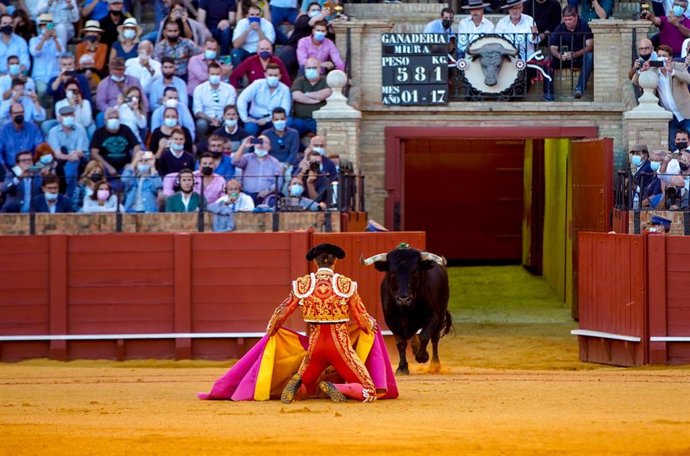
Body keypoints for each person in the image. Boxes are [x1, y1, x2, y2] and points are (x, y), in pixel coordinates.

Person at [266, 243, 377, 403]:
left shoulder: (303, 284)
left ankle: (298, 388)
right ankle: (337, 388)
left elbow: (282, 312)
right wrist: (371, 326)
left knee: (305, 385)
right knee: (369, 391)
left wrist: (271, 330)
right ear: (335, 261)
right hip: (340, 348)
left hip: (315, 349)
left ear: (316, 262)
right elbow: (362, 319)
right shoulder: (345, 284)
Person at [496, 0, 554, 101]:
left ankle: (516, 97)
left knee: (528, 72)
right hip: (507, 59)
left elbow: (535, 41)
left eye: (518, 8)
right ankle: (507, 96)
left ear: (522, 8)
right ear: (508, 10)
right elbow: (497, 42)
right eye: (512, 8)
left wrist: (534, 35)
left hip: (527, 58)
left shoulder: (529, 20)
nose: (515, 11)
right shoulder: (502, 23)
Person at [633, 44, 690, 145]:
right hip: (670, 116)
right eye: (659, 55)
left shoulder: (678, 66)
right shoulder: (654, 70)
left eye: (664, 55)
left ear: (670, 58)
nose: (661, 58)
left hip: (686, 113)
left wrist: (672, 71)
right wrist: (642, 70)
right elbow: (635, 81)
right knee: (673, 145)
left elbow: (688, 79)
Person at [549, 5, 593, 99]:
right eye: (565, 19)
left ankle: (580, 88)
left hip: (580, 57)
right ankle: (549, 93)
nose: (568, 22)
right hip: (565, 58)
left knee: (590, 56)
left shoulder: (584, 25)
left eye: (570, 19)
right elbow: (552, 48)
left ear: (576, 16)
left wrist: (576, 54)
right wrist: (559, 56)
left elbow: (590, 46)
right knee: (548, 60)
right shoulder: (560, 28)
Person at [236, 62, 291, 136]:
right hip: (254, 118)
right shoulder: (257, 84)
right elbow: (242, 99)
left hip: (274, 119)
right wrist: (245, 118)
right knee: (250, 128)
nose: (273, 77)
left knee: (288, 122)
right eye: (270, 75)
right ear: (265, 75)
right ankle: (251, 147)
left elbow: (285, 110)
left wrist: (267, 120)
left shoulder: (285, 89)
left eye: (275, 75)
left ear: (280, 76)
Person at [47, 105, 89, 198]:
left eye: (70, 115)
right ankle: (69, 196)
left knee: (74, 161)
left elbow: (82, 151)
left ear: (74, 116)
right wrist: (68, 157)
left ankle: (67, 194)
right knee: (71, 162)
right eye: (65, 115)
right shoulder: (53, 132)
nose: (68, 117)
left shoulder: (80, 129)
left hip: (78, 159)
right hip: (60, 160)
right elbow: (57, 154)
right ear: (59, 118)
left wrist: (76, 154)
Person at [277, 2, 328, 78]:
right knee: (286, 53)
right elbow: (310, 22)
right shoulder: (303, 18)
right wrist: (321, 15)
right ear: (308, 12)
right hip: (294, 47)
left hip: (313, 50)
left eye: (318, 10)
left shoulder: (322, 22)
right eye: (313, 10)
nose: (316, 12)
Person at [90, 107, 141, 177]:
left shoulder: (126, 129)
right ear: (105, 120)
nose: (114, 120)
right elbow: (94, 152)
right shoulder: (99, 132)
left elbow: (136, 146)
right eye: (111, 118)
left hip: (125, 167)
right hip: (105, 168)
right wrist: (108, 167)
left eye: (116, 118)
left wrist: (132, 164)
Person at [232, 134, 283, 203]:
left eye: (265, 142)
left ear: (269, 147)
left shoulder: (274, 162)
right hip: (247, 194)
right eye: (259, 141)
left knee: (273, 201)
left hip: (267, 195)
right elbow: (235, 162)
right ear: (254, 145)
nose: (261, 144)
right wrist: (243, 146)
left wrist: (267, 191)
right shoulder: (247, 158)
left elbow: (278, 182)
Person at [192, 61, 237, 139]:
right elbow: (198, 111)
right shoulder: (199, 89)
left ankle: (226, 145)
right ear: (208, 74)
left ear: (221, 74)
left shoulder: (229, 89)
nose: (215, 76)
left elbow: (230, 108)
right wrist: (211, 119)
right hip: (206, 118)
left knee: (229, 122)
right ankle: (202, 144)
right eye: (212, 74)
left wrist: (221, 119)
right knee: (201, 124)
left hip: (223, 117)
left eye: (217, 74)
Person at [288, 56, 330, 137]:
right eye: (309, 68)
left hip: (319, 120)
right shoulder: (299, 80)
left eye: (314, 68)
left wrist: (307, 94)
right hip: (301, 120)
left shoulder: (325, 80)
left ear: (320, 69)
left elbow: (326, 93)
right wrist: (315, 100)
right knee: (291, 130)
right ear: (304, 69)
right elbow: (296, 95)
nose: (311, 70)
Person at [29, 13, 63, 105]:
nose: (46, 28)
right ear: (40, 27)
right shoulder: (34, 40)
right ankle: (44, 112)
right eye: (44, 25)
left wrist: (55, 39)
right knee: (42, 90)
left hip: (54, 74)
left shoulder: (58, 40)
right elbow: (35, 52)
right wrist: (44, 39)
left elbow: (61, 53)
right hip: (39, 75)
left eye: (48, 25)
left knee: (56, 91)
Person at [0, 102, 44, 169]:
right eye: (16, 113)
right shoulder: (3, 131)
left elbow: (40, 147)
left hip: (31, 166)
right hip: (10, 167)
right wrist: (4, 169)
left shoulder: (33, 128)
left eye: (21, 112)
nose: (19, 114)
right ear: (10, 115)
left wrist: (38, 166)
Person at [231, 3, 276, 67]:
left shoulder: (267, 24)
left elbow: (268, 45)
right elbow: (236, 45)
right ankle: (238, 76)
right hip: (244, 50)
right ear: (247, 16)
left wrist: (259, 30)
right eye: (252, 15)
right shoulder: (241, 23)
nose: (255, 17)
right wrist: (249, 29)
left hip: (259, 50)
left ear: (260, 16)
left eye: (257, 15)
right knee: (235, 53)